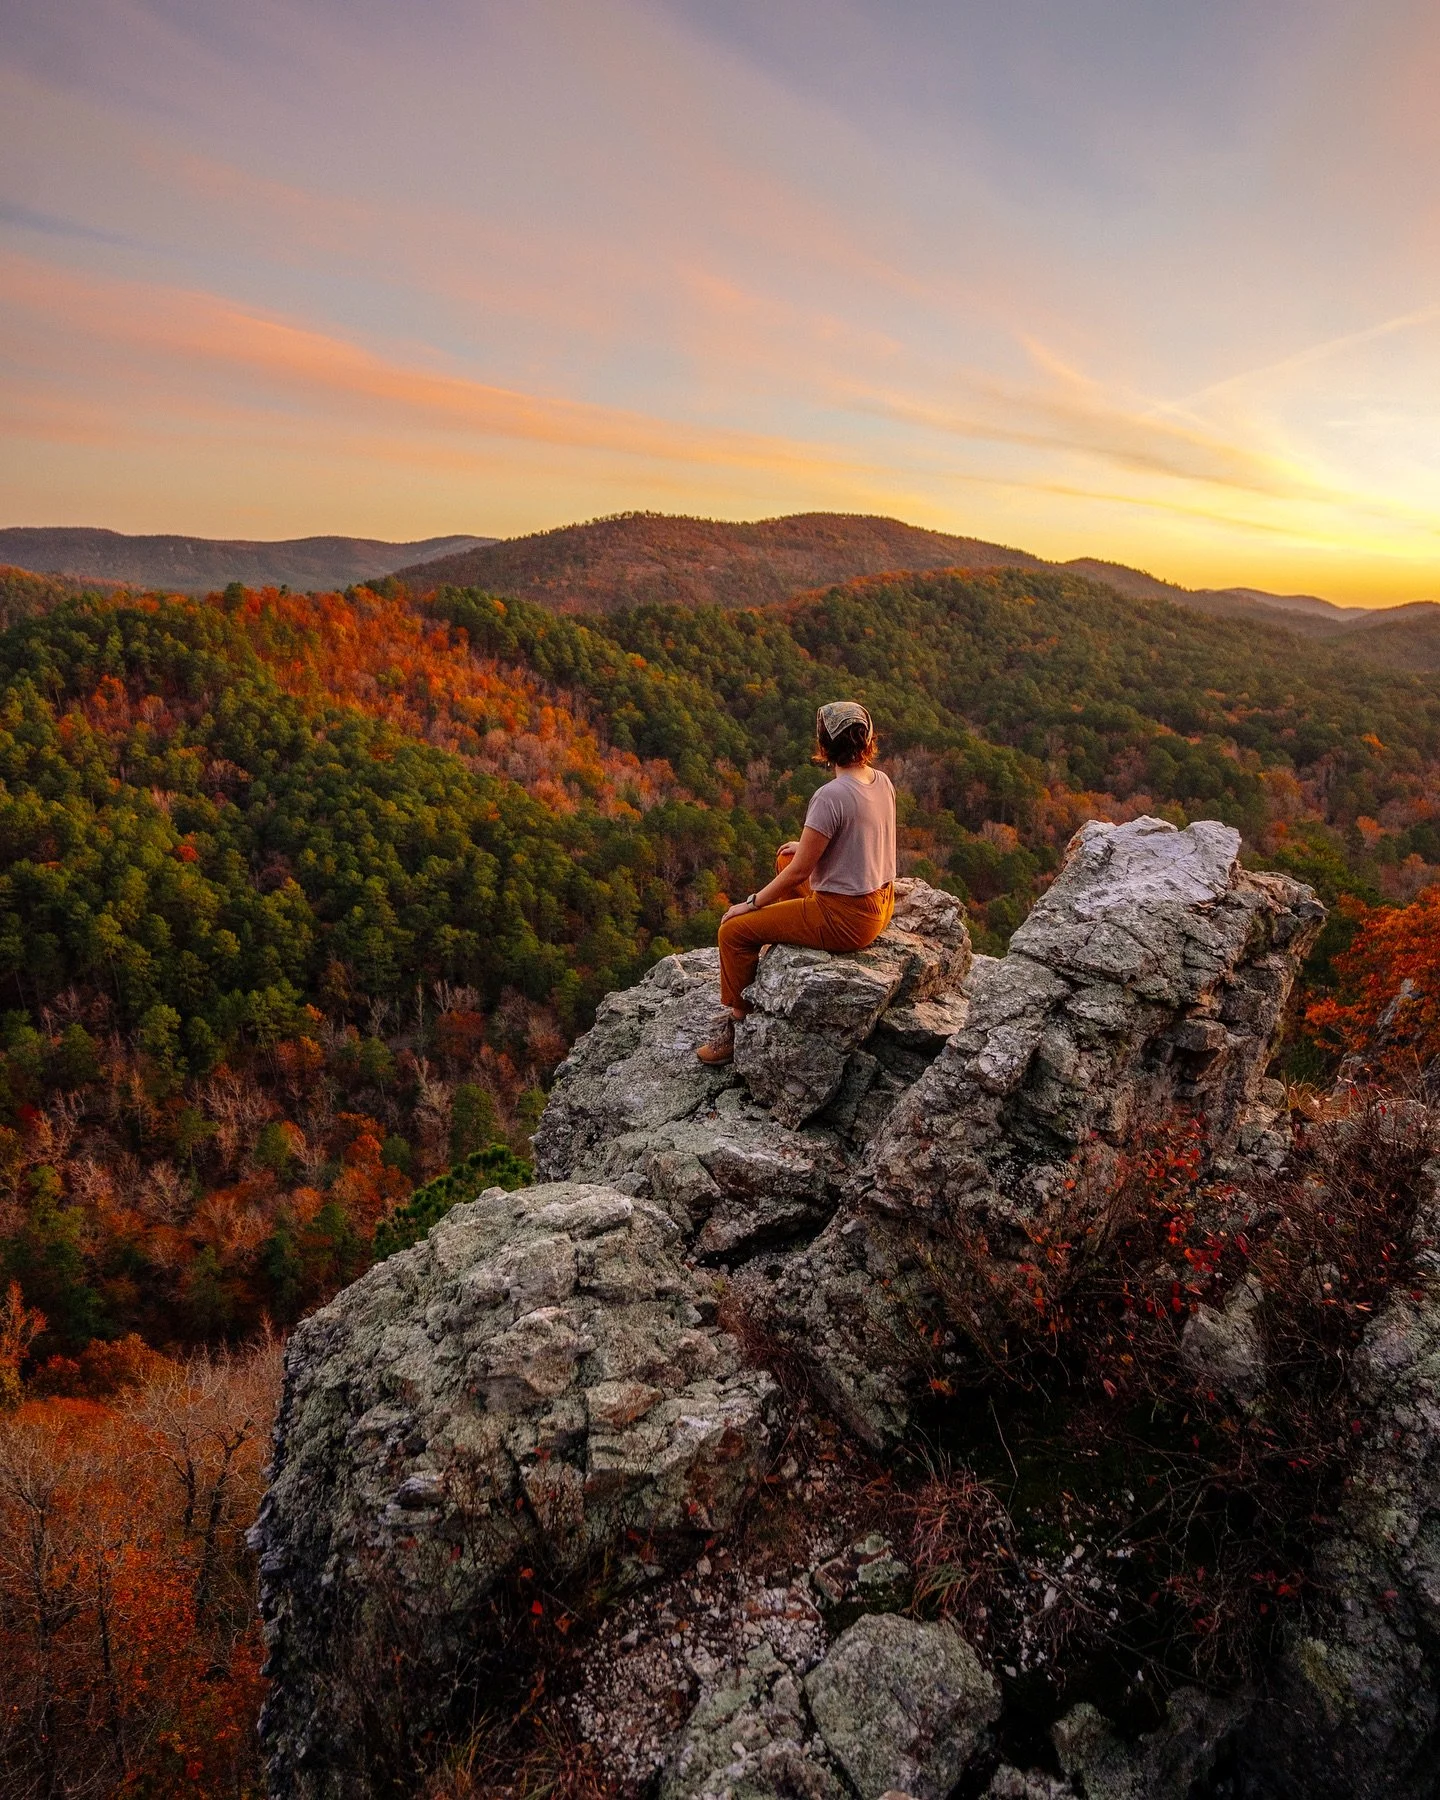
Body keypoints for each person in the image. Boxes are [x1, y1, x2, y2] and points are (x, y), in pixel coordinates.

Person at [697, 700, 897, 1065]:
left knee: (733, 932)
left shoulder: (830, 796)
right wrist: (805, 848)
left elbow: (800, 874)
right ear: (868, 740)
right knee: (786, 857)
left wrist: (751, 903)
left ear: (824, 746)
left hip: (846, 919)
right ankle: (780, 932)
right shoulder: (881, 781)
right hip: (881, 903)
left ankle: (737, 1025)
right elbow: (859, 839)